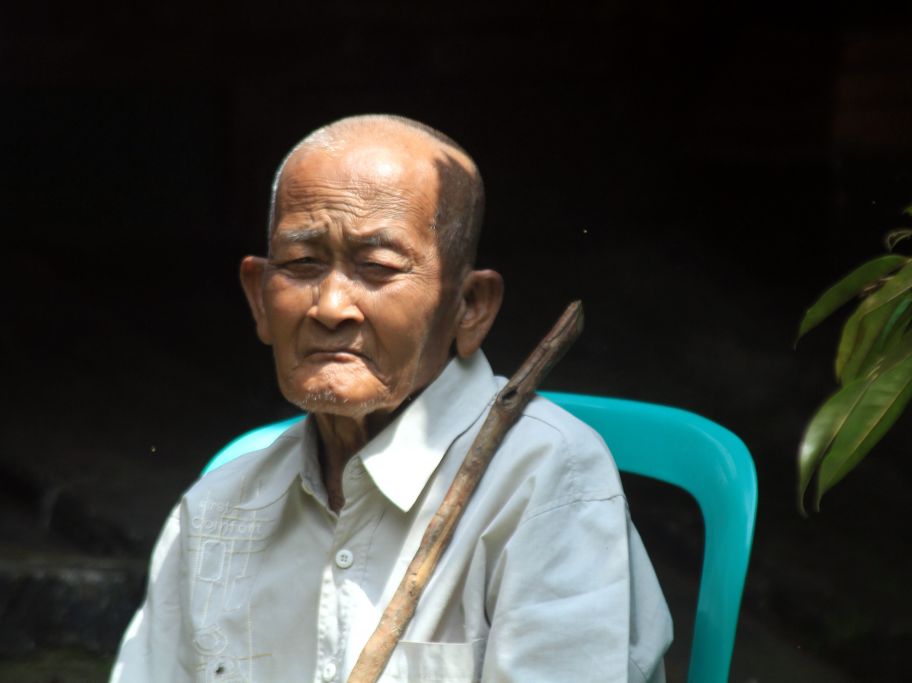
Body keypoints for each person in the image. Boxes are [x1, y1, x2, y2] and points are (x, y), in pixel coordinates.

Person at [111, 114, 672, 682]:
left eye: (377, 267)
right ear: (259, 297)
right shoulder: (216, 510)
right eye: (302, 264)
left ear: (470, 306)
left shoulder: (547, 480)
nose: (330, 306)